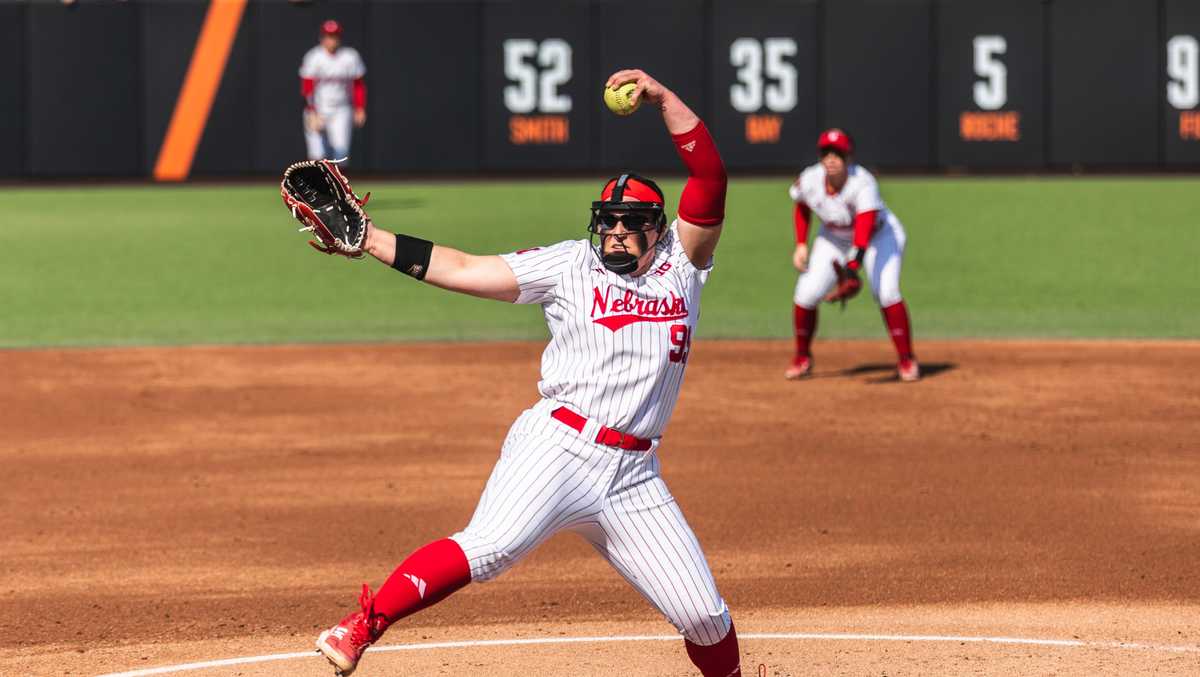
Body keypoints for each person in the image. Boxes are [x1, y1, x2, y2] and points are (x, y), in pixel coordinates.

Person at [312, 69, 741, 677]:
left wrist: (665, 98)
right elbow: (464, 267)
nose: (616, 231)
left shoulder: (683, 264)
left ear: (657, 229)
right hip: (558, 446)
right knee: (491, 547)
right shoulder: (569, 265)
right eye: (608, 220)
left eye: (630, 222)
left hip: (635, 474)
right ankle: (363, 625)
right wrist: (373, 240)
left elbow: (710, 177)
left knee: (704, 616)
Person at [785, 128, 919, 382]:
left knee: (886, 292)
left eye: (838, 153)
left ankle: (907, 359)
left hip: (880, 236)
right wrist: (801, 244)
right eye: (826, 153)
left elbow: (865, 225)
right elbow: (802, 206)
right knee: (806, 294)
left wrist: (853, 265)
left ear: (849, 158)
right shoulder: (810, 178)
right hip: (833, 236)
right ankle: (802, 358)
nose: (832, 158)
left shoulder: (863, 182)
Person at [299, 19, 366, 163]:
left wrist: (360, 107)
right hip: (318, 109)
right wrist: (311, 111)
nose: (331, 40)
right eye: (328, 36)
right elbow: (307, 87)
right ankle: (315, 186)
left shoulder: (350, 56)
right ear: (322, 37)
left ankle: (336, 186)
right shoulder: (314, 57)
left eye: (334, 36)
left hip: (341, 109)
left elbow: (358, 84)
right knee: (317, 155)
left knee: (340, 154)